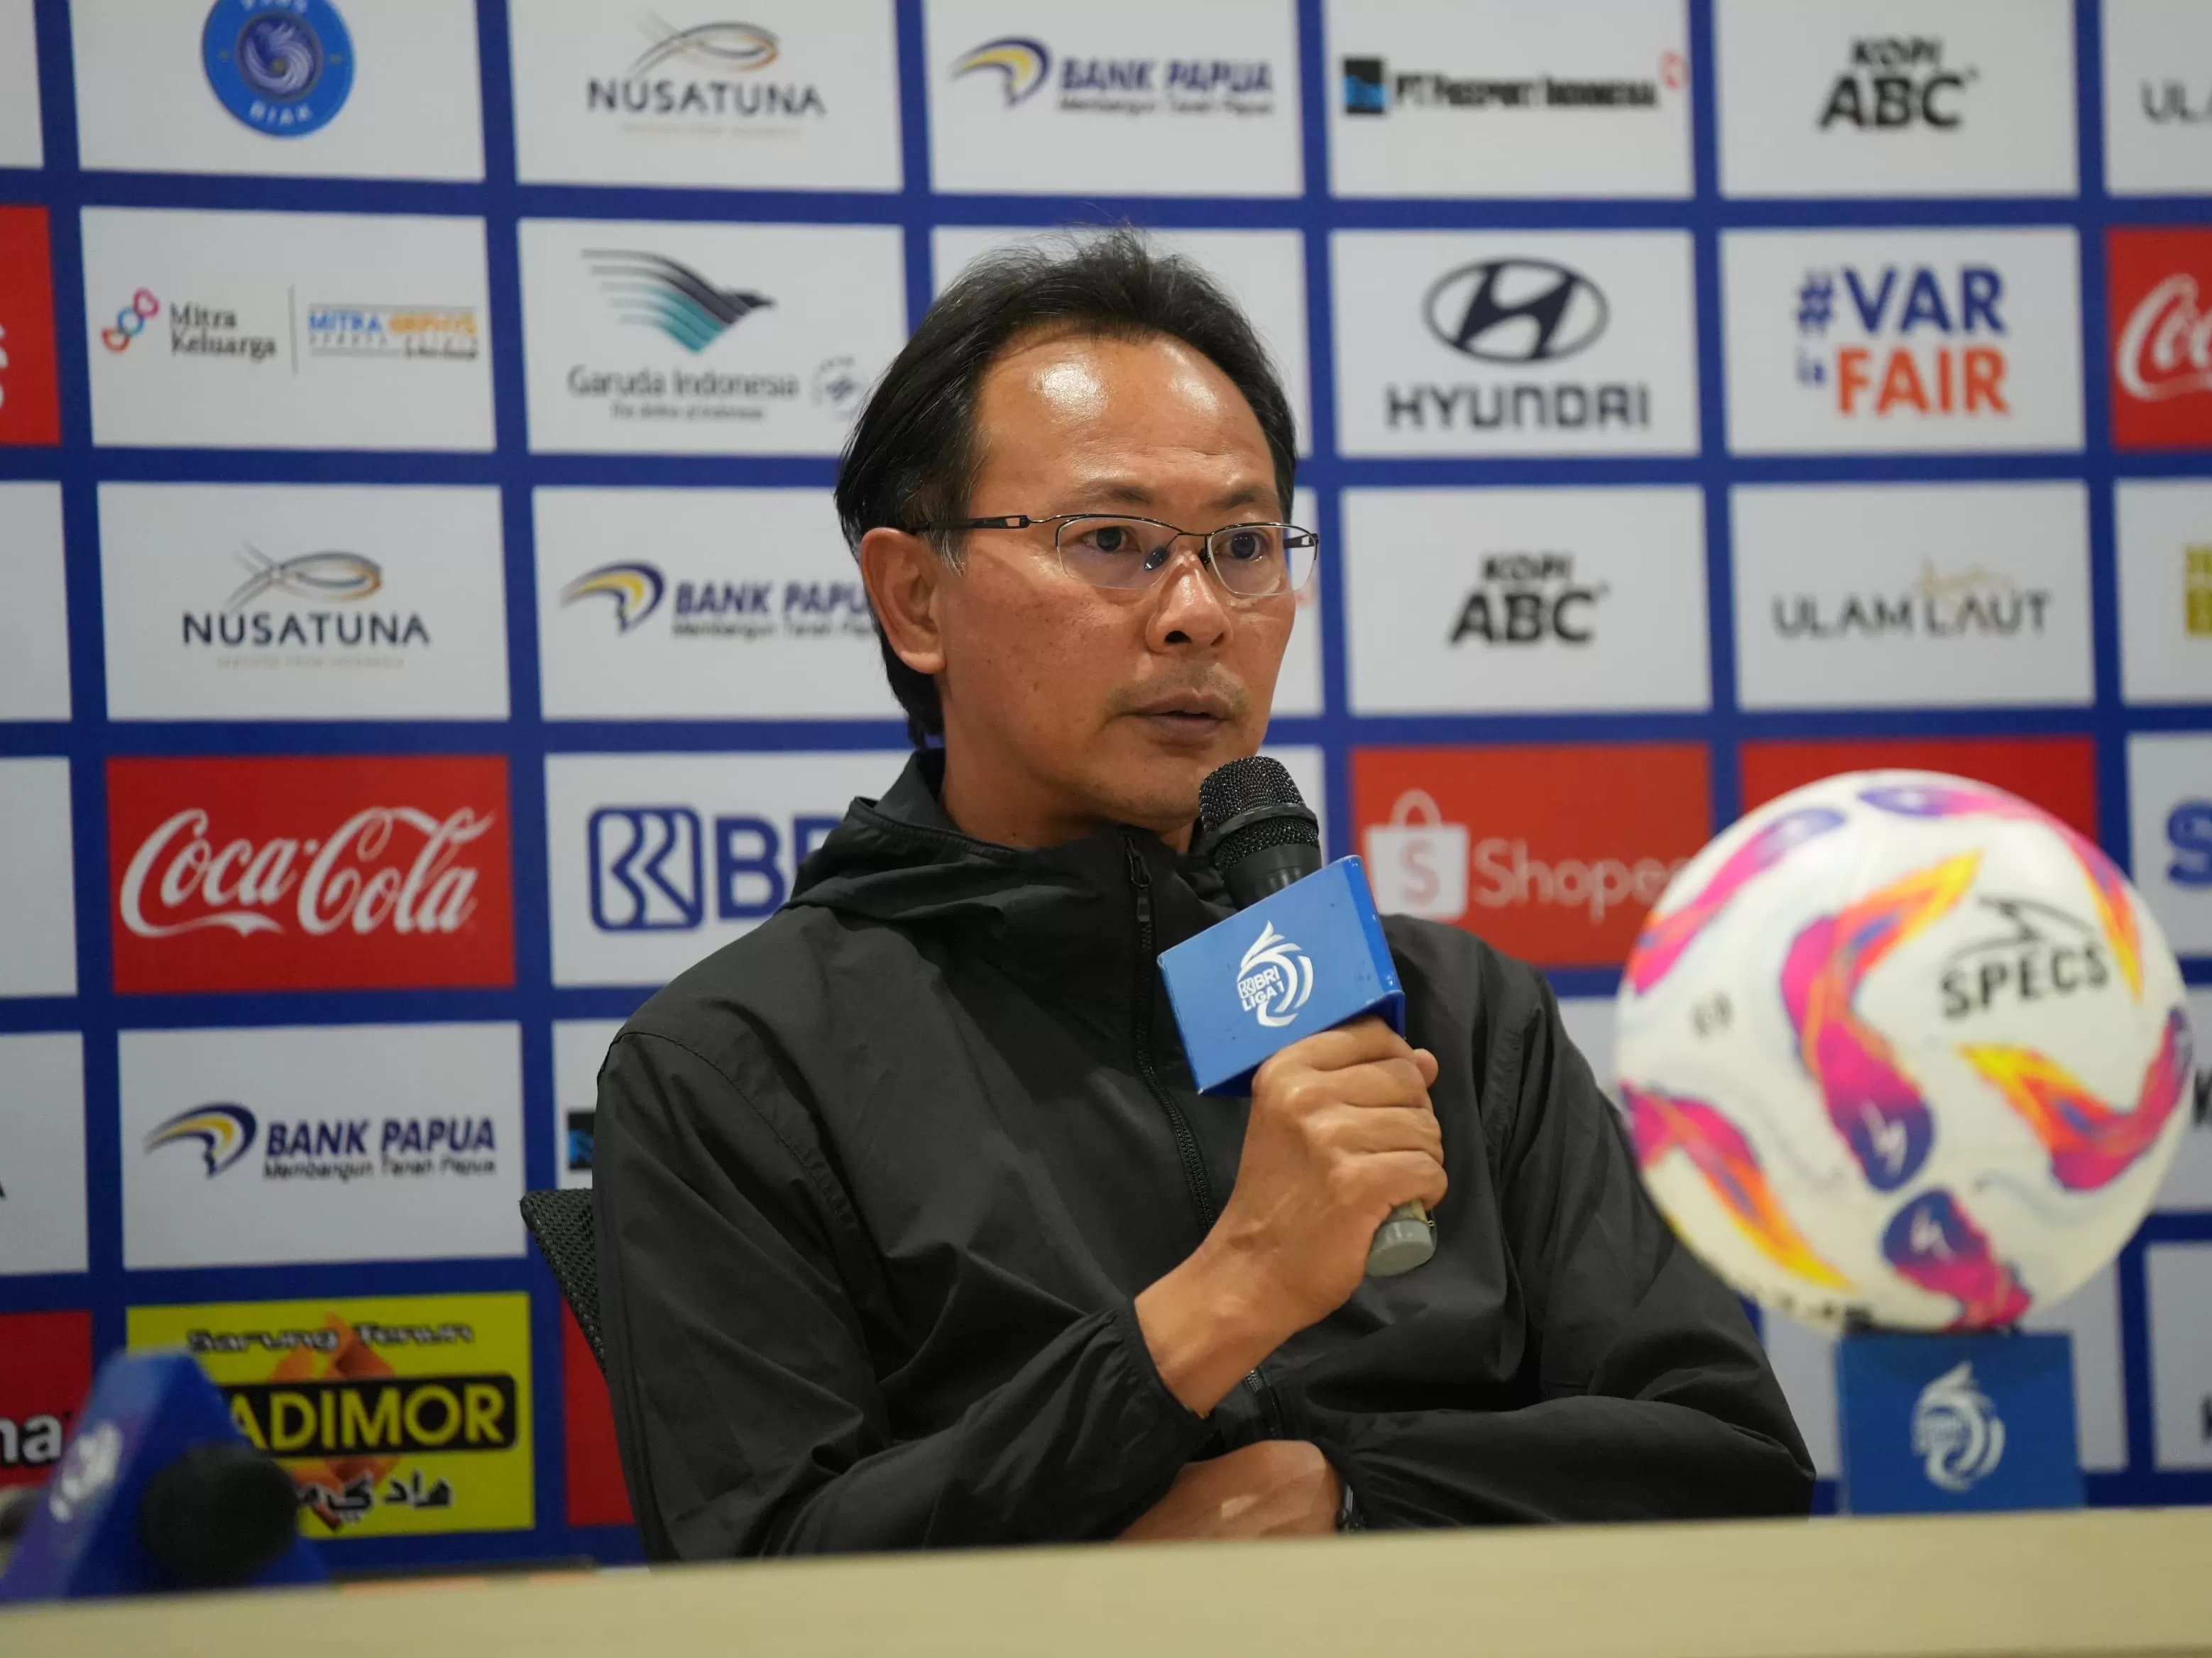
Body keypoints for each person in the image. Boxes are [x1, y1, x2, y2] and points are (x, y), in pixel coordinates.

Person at [592, 231, 1812, 1557]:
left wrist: (1348, 1498)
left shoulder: (1458, 1014)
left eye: (1243, 545)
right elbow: (760, 1586)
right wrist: (1221, 1303)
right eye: (1111, 540)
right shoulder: (734, 1068)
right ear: (913, 598)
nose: (1197, 613)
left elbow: (1730, 1461)